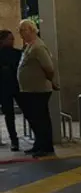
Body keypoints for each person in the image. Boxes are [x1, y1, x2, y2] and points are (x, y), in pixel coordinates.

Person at [17, 19, 57, 157]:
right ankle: (39, 144)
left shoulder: (38, 47)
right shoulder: (29, 46)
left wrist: (50, 80)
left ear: (32, 30)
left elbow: (49, 67)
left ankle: (46, 147)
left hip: (38, 90)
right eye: (20, 30)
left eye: (23, 30)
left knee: (41, 119)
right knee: (35, 119)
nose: (20, 33)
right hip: (30, 90)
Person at [0, 30, 22, 151]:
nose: (12, 41)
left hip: (17, 88)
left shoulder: (18, 53)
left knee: (27, 112)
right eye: (10, 39)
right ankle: (14, 140)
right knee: (9, 116)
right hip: (4, 90)